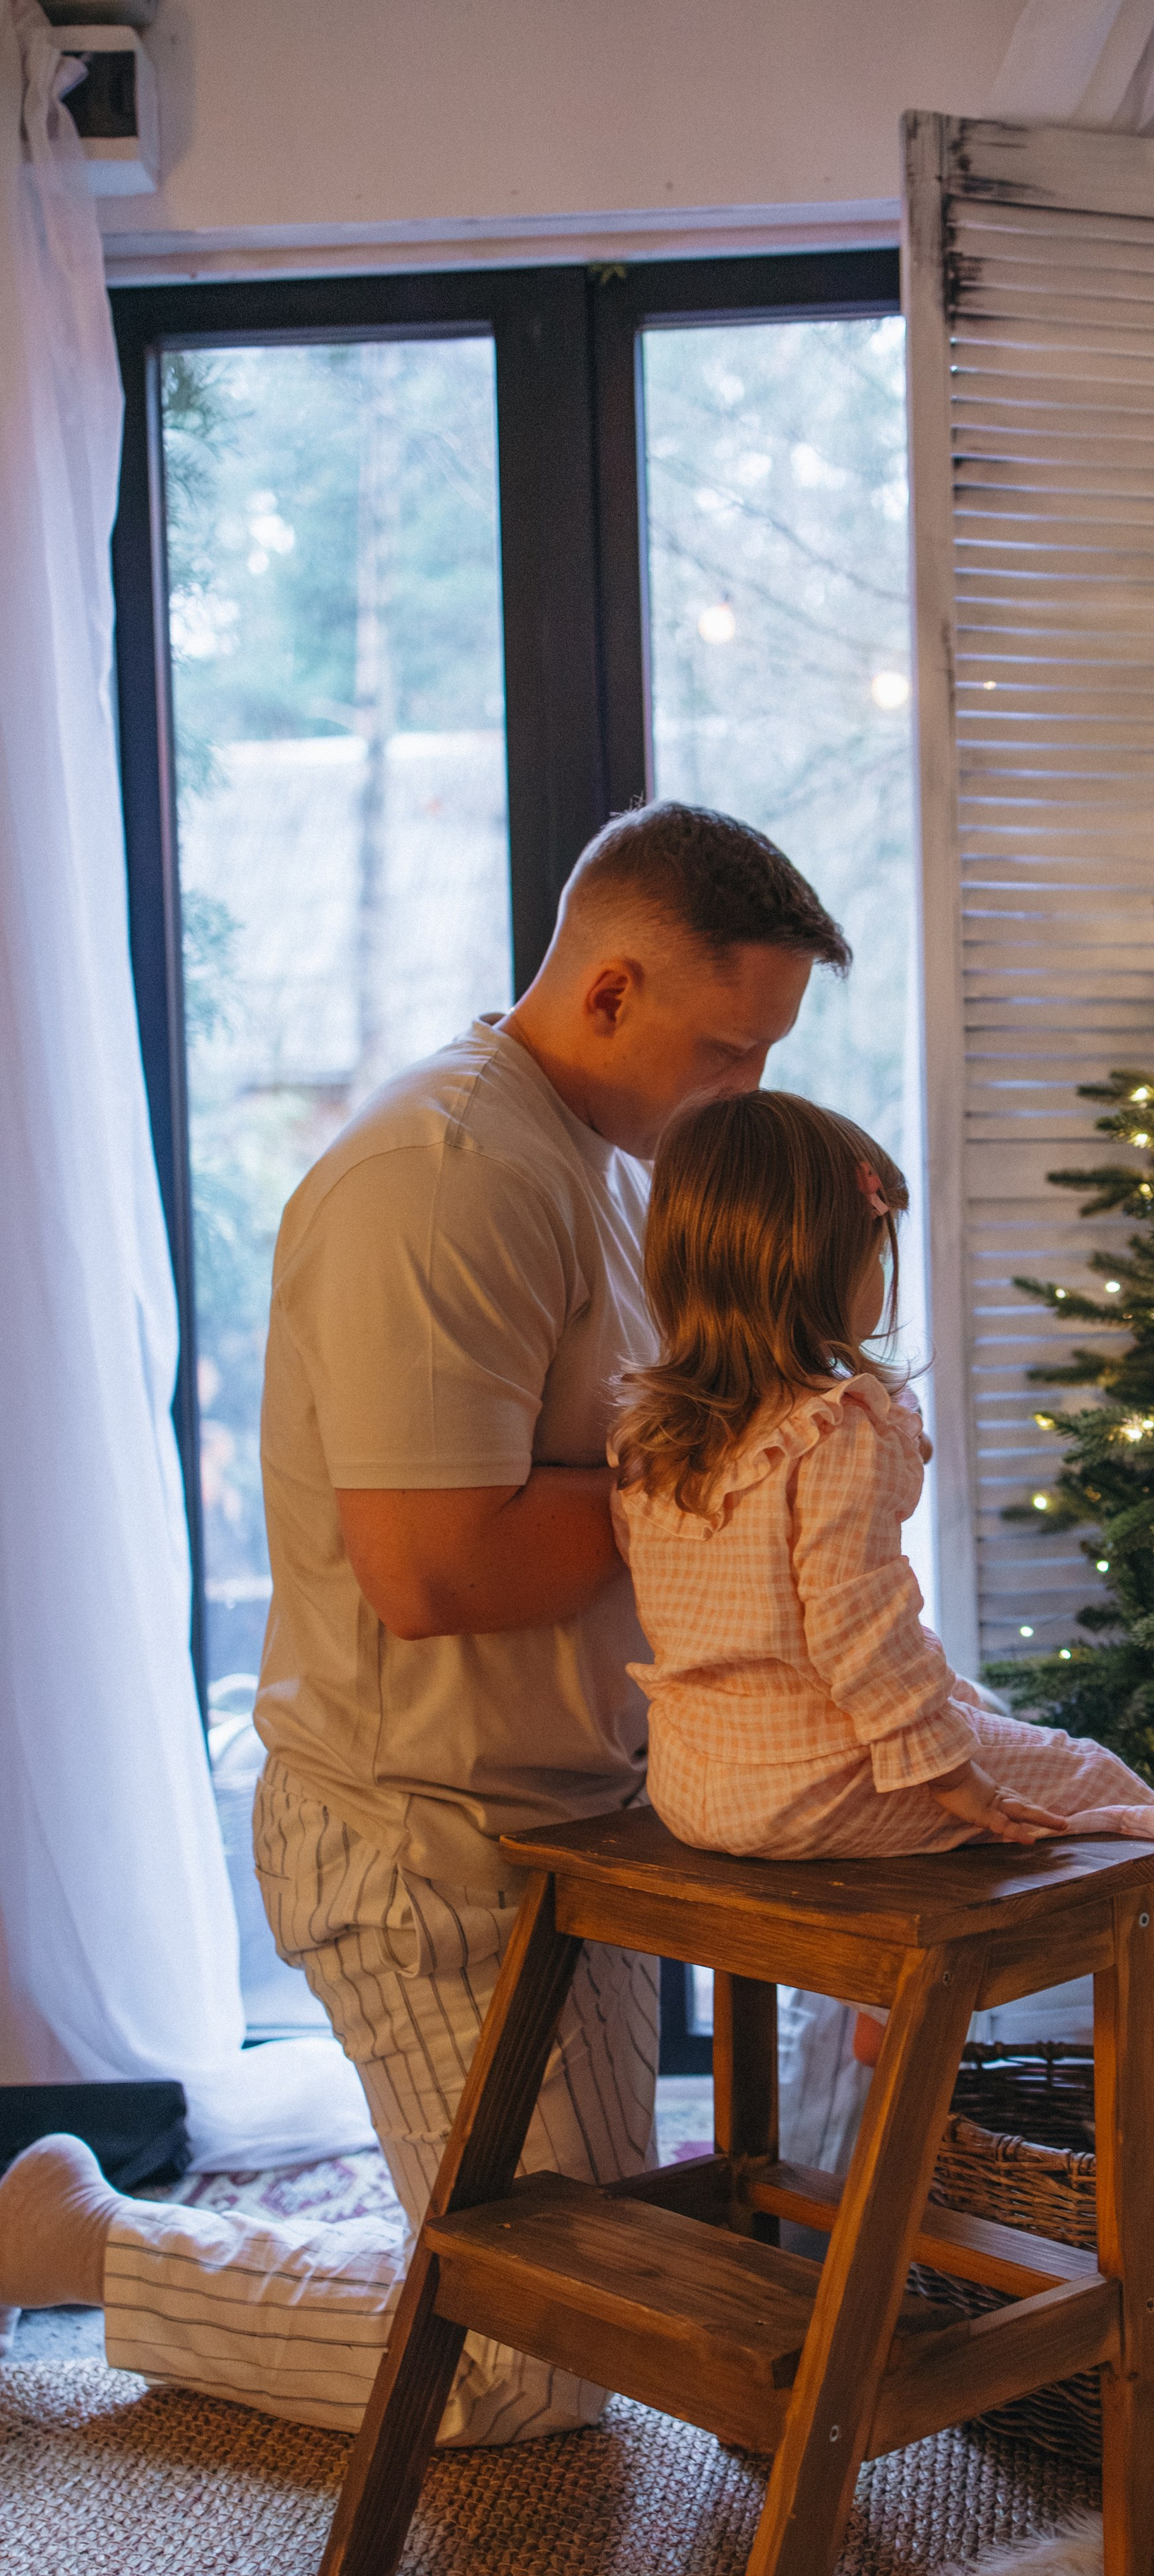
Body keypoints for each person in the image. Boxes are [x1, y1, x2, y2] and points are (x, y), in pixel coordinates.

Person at [0, 803, 852, 2440]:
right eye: (729, 1050)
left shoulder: (599, 1165)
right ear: (607, 994)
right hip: (418, 1841)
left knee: (605, 2289)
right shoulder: (444, 1178)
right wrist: (720, 1466)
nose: (748, 1095)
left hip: (555, 1812)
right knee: (540, 2365)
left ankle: (206, 2242)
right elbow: (435, 1575)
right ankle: (90, 2245)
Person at [609, 1089, 1154, 2047]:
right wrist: (949, 1778)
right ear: (822, 1265)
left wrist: (946, 1739)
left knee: (969, 1704)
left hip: (699, 1784)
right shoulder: (837, 1430)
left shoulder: (655, 1434)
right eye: (875, 1252)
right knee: (1079, 1777)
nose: (881, 1278)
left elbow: (761, 1633)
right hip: (810, 1788)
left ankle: (877, 1997)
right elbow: (860, 1632)